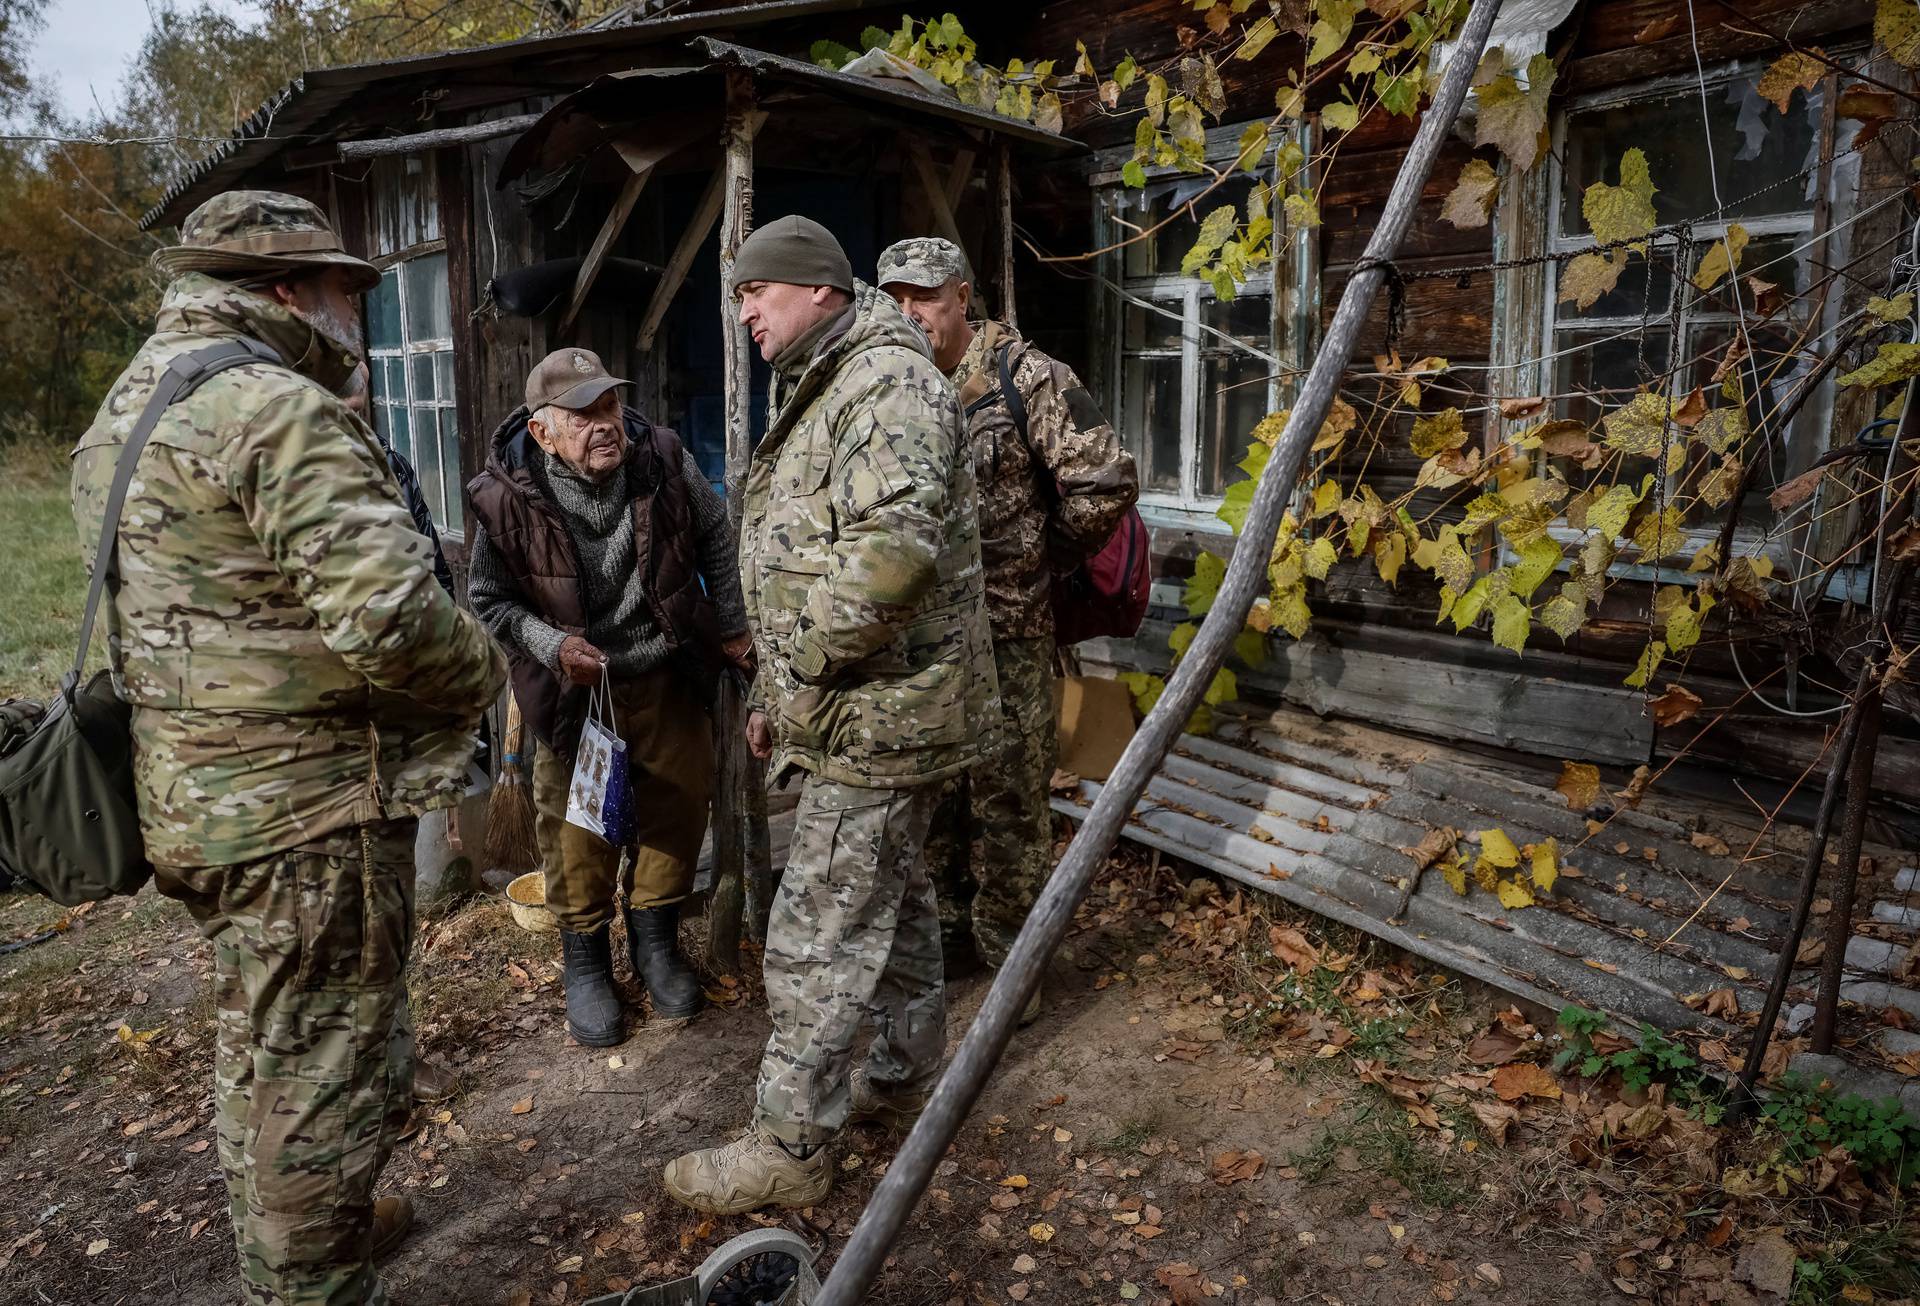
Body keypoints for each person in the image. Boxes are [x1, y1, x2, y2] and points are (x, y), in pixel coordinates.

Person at [71, 190, 506, 1305]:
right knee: (325, 1073)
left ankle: (312, 1228)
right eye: (340, 289)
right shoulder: (272, 407)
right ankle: (309, 1270)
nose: (354, 312)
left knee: (260, 1048)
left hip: (198, 804)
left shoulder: (127, 409)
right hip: (308, 815)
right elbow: (396, 620)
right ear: (282, 290)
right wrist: (490, 671)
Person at [662, 215, 999, 1215]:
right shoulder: (833, 379)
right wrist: (778, 692)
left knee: (815, 930)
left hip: (884, 716)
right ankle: (900, 1074)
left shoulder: (884, 386)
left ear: (817, 289)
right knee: (889, 906)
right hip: (864, 709)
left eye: (754, 293)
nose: (745, 313)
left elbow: (890, 560)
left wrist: (796, 671)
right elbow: (807, 557)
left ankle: (794, 1141)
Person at [876, 236, 1138, 1023]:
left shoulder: (1028, 377)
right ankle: (953, 934)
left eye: (923, 296)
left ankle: (1012, 959)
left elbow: (1107, 481)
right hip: (926, 639)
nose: (909, 312)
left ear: (961, 295)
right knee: (940, 793)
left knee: (1012, 802)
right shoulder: (895, 381)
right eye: (895, 298)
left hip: (1012, 633)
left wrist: (1042, 557)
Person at [466, 348, 751, 1047]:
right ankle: (587, 962)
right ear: (543, 432)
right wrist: (551, 645)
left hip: (663, 670)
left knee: (677, 809)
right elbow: (488, 599)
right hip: (573, 694)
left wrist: (736, 628)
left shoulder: (661, 458)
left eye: (609, 406)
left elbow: (716, 534)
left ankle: (655, 943)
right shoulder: (504, 497)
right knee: (578, 830)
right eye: (584, 414)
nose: (605, 424)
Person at [338, 362, 461, 1107]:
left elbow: (434, 583)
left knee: (386, 908)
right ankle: (361, 1089)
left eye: (363, 407)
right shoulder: (275, 471)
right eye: (339, 406)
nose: (356, 421)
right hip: (318, 744)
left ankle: (397, 1066)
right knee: (335, 924)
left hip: (392, 726)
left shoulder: (388, 465)